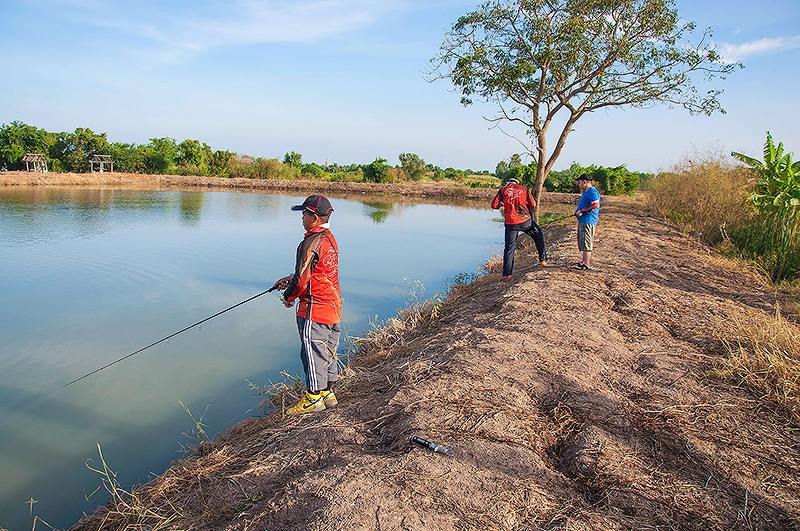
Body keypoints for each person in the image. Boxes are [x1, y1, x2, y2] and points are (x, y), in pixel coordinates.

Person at [272, 194, 343, 415]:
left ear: (313, 216)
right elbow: (314, 272)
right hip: (333, 307)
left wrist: (288, 297)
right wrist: (289, 279)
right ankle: (327, 393)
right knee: (328, 352)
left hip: (315, 309)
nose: (301, 217)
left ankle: (313, 398)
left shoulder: (308, 243)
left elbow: (302, 281)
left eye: (304, 213)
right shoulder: (329, 238)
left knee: (312, 353)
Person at [491, 177, 548, 280]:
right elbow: (533, 204)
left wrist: (502, 203)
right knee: (538, 235)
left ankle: (507, 275)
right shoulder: (523, 189)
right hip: (525, 222)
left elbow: (494, 205)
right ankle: (542, 260)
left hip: (511, 224)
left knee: (509, 248)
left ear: (508, 183)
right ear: (517, 183)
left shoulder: (503, 190)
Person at [573, 174, 601, 270]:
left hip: (588, 220)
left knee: (587, 241)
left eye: (580, 182)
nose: (579, 184)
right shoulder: (586, 191)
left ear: (585, 182)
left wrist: (582, 210)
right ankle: (583, 261)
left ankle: (586, 264)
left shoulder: (592, 191)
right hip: (583, 220)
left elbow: (595, 205)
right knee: (583, 241)